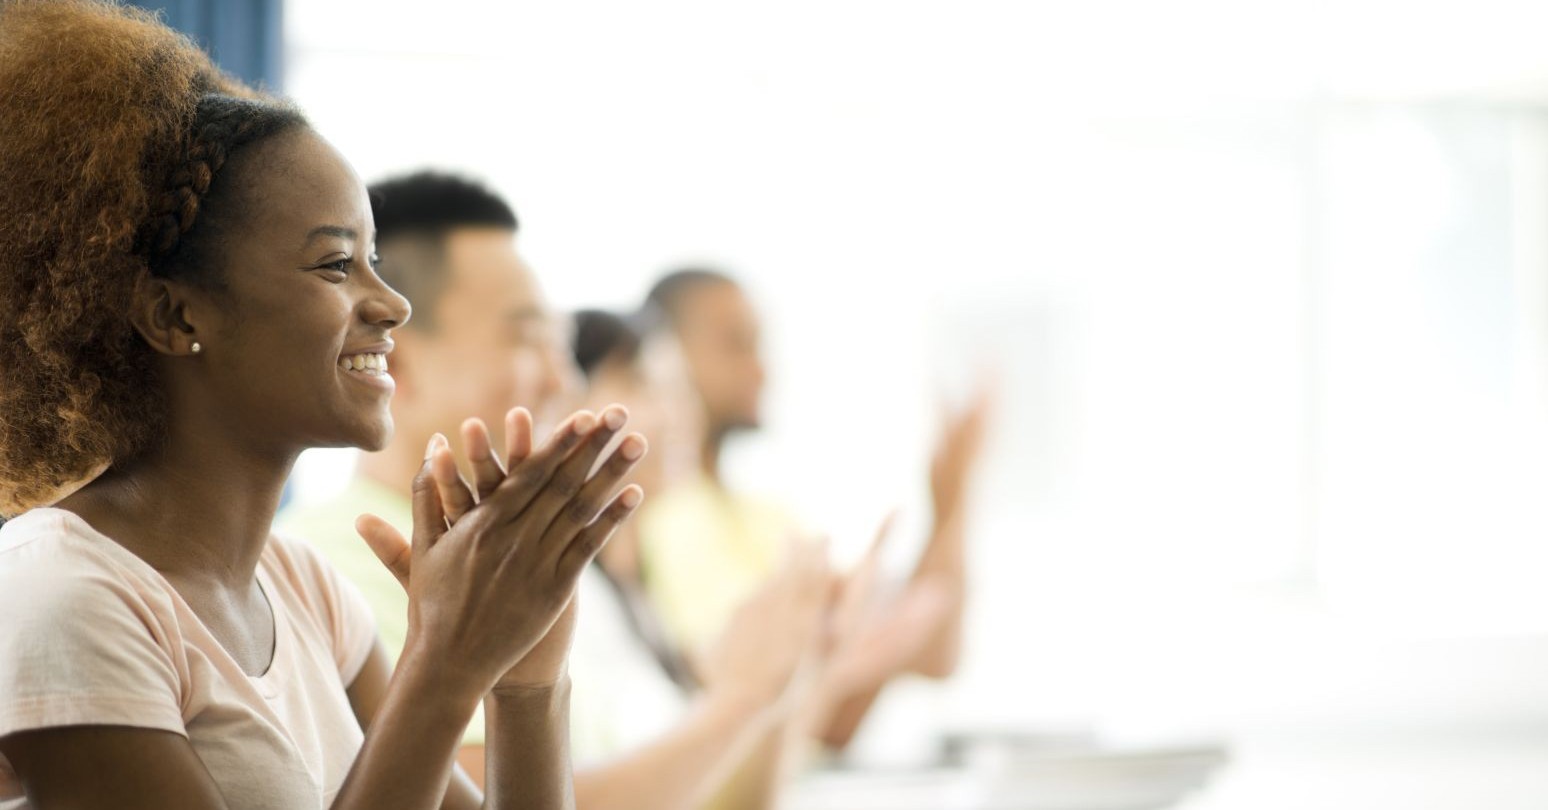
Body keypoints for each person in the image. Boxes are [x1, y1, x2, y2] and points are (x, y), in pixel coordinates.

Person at [0, 3, 645, 807]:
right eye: (336, 265)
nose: (392, 305)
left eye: (375, 260)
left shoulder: (304, 589)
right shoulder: (60, 595)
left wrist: (524, 681)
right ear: (174, 315)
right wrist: (444, 665)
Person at [282, 172, 832, 810]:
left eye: (562, 345)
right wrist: (739, 702)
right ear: (395, 361)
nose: (561, 379)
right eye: (527, 338)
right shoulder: (336, 563)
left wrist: (788, 679)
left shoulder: (533, 570)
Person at [635, 268, 992, 749]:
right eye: (736, 345)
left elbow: (934, 654)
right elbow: (789, 718)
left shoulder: (766, 517)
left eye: (759, 346)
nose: (761, 369)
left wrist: (953, 499)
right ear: (667, 355)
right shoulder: (659, 517)